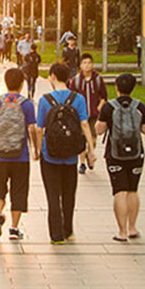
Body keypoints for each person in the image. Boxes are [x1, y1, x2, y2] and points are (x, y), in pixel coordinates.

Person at [36, 62, 94, 244]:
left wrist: (38, 149)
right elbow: (84, 124)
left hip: (50, 154)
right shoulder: (78, 99)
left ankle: (56, 235)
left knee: (53, 195)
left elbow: (39, 128)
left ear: (52, 76)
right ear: (68, 78)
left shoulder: (45, 100)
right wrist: (90, 149)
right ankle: (68, 230)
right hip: (70, 155)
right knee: (69, 194)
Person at [96, 73, 145, 242]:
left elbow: (99, 130)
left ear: (117, 87)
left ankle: (122, 232)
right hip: (136, 153)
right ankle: (132, 228)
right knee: (133, 190)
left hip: (115, 155)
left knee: (120, 191)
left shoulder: (109, 107)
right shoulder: (140, 107)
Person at [0, 67, 38, 241]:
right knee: (19, 190)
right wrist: (35, 149)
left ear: (5, 82)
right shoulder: (26, 104)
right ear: (22, 84)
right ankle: (14, 229)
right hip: (20, 156)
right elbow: (32, 128)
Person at [69, 53, 108, 174]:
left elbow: (104, 97)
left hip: (94, 115)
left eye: (89, 63)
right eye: (84, 63)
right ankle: (82, 163)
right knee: (82, 140)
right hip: (80, 116)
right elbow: (71, 97)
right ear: (80, 65)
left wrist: (98, 108)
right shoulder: (76, 81)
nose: (87, 65)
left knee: (93, 139)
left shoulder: (98, 79)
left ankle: (89, 154)